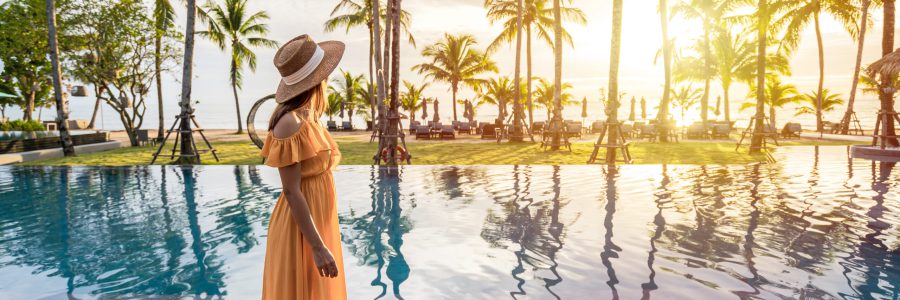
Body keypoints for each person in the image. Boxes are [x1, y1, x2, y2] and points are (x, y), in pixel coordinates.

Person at [259, 34, 347, 299]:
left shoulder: (308, 116)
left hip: (317, 218)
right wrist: (318, 247)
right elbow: (291, 191)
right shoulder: (289, 122)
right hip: (301, 229)